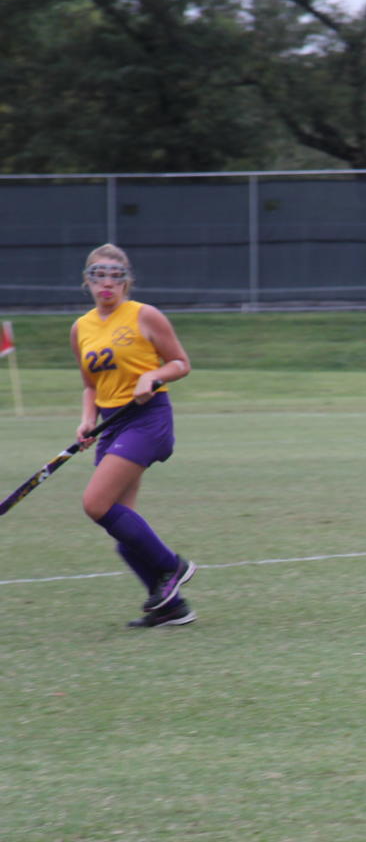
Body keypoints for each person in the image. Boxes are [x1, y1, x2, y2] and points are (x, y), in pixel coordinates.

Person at [70, 244, 196, 627]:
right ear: (87, 281)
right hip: (111, 424)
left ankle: (173, 567)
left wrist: (152, 375)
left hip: (147, 419)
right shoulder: (81, 328)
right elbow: (90, 385)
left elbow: (181, 363)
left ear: (127, 281)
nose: (106, 283)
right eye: (98, 275)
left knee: (96, 503)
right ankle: (171, 608)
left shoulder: (145, 316)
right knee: (123, 523)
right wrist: (87, 419)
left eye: (115, 275)